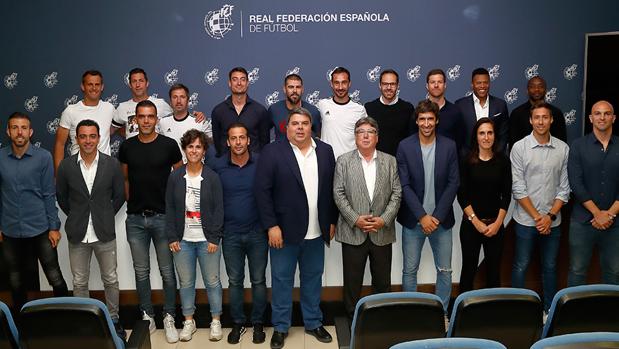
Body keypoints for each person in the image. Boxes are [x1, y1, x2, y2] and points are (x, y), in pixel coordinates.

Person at [255, 107, 337, 349]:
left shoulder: (325, 151)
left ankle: (313, 322)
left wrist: (331, 220)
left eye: (304, 123)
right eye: (295, 124)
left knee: (312, 279)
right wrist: (271, 225)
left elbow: (331, 190)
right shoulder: (272, 152)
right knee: (281, 280)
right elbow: (262, 192)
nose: (300, 127)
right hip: (284, 232)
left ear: (311, 127)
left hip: (316, 231)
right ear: (286, 127)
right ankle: (280, 327)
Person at [118, 100, 182, 343]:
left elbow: (179, 177)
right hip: (135, 219)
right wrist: (131, 203)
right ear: (135, 119)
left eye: (150, 116)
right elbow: (124, 179)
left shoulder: (169, 145)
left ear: (157, 119)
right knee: (141, 271)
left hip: (163, 219)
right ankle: (147, 314)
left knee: (167, 271)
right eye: (141, 117)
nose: (146, 121)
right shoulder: (127, 147)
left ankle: (168, 316)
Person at [56, 119, 126, 339]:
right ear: (77, 139)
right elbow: (62, 198)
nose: (88, 141)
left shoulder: (111, 164)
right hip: (77, 233)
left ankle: (114, 319)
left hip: (104, 232)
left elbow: (119, 196)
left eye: (92, 136)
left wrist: (104, 215)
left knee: (111, 279)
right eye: (83, 136)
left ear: (99, 138)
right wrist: (78, 216)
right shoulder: (66, 166)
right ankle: (85, 322)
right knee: (79, 281)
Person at [333, 116, 402, 319]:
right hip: (353, 231)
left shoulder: (390, 161)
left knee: (382, 282)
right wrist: (355, 219)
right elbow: (338, 193)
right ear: (355, 137)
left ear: (377, 137)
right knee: (352, 283)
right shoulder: (343, 161)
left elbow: (397, 193)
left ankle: (380, 320)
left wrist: (384, 219)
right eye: (360, 131)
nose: (365, 135)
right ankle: (353, 321)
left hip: (382, 231)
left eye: (370, 132)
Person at [0, 112, 68, 311]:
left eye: (23, 128)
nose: (19, 132)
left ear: (30, 132)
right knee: (15, 279)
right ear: (8, 131)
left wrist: (54, 227)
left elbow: (48, 194)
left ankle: (66, 319)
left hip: (40, 228)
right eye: (15, 127)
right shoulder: (1, 158)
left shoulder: (44, 157)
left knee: (54, 276)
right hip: (10, 229)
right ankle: (22, 324)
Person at [396, 100, 459, 313]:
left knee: (445, 270)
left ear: (437, 120)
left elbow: (454, 183)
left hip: (441, 221)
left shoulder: (449, 146)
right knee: (409, 271)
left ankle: (440, 314)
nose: (426, 123)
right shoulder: (404, 146)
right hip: (414, 221)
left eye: (430, 119)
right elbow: (403, 184)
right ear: (417, 121)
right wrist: (422, 216)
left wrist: (437, 216)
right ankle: (411, 313)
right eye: (422, 119)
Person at [510, 102, 570, 315]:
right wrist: (538, 217)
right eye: (537, 117)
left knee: (550, 267)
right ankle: (517, 311)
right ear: (531, 120)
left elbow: (564, 188)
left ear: (551, 120)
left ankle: (549, 312)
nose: (541, 121)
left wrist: (550, 216)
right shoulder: (519, 148)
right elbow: (518, 188)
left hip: (553, 222)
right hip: (526, 221)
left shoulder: (563, 149)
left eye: (545, 117)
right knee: (520, 265)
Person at [211, 123, 267, 344]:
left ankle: (259, 323)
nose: (238, 142)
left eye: (242, 137)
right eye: (233, 138)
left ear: (248, 140)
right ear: (227, 141)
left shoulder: (261, 162)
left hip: (257, 233)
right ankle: (238, 323)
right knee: (235, 281)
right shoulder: (218, 166)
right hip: (231, 234)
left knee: (259, 280)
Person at [166, 129, 224, 342]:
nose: (194, 150)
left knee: (212, 281)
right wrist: (172, 237)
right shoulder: (175, 177)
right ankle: (188, 321)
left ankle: (216, 320)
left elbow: (219, 210)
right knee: (186, 282)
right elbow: (170, 208)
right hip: (182, 241)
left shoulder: (212, 177)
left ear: (204, 150)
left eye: (198, 146)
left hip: (206, 240)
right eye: (190, 146)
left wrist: (214, 238)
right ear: (184, 149)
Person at [567, 100, 619, 285]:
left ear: (614, 118)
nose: (602, 117)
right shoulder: (578, 146)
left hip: (615, 224)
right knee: (577, 270)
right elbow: (576, 183)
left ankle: (610, 314)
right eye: (597, 113)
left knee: (614, 272)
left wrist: (610, 214)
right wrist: (598, 214)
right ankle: (572, 314)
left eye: (606, 113)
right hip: (582, 221)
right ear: (590, 118)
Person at [457, 118, 511, 293]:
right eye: (482, 133)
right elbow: (462, 195)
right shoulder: (466, 161)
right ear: (476, 136)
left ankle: (492, 315)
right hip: (471, 226)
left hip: (496, 226)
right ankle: (462, 315)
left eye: (490, 133)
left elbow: (506, 195)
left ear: (495, 136)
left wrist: (497, 224)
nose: (486, 137)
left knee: (494, 272)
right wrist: (476, 222)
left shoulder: (503, 161)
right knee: (468, 270)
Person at [54, 70, 114, 173]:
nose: (94, 88)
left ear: (102, 87)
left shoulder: (110, 108)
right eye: (90, 84)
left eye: (97, 84)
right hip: (77, 170)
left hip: (104, 171)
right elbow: (60, 144)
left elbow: (117, 128)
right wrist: (59, 175)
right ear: (83, 86)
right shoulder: (70, 111)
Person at [211, 67, 269, 156]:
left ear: (247, 83)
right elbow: (217, 141)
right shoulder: (218, 111)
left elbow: (264, 142)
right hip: (226, 165)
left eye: (242, 79)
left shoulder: (260, 111)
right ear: (230, 83)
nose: (239, 83)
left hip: (254, 165)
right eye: (235, 80)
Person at [455, 67, 509, 155]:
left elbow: (503, 135)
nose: (482, 86)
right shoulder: (460, 105)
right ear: (472, 85)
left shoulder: (500, 105)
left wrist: (496, 155)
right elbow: (458, 136)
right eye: (478, 83)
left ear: (489, 84)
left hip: (494, 159)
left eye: (485, 82)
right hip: (468, 160)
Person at [318, 66, 368, 158]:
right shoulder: (322, 105)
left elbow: (364, 138)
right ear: (331, 84)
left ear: (349, 84)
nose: (340, 87)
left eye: (344, 83)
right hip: (327, 161)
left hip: (350, 164)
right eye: (336, 83)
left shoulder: (359, 109)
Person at [363, 69, 415, 156]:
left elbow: (412, 139)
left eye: (392, 84)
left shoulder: (408, 108)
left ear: (398, 86)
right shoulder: (369, 108)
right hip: (376, 162)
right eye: (385, 84)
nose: (389, 88)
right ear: (380, 85)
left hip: (400, 161)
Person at [159, 83, 213, 163]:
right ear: (170, 101)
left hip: (195, 172)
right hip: (171, 173)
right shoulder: (162, 122)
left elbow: (214, 141)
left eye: (182, 97)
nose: (178, 101)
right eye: (175, 97)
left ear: (188, 100)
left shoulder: (199, 122)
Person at [112, 67, 173, 138]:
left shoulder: (161, 104)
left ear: (147, 83)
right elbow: (114, 128)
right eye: (134, 81)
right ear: (130, 85)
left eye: (141, 81)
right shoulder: (122, 107)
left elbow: (174, 121)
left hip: (157, 148)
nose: (138, 85)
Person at [509, 76, 567, 145]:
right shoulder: (517, 113)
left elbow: (561, 141)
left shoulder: (556, 113)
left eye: (540, 86)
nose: (536, 89)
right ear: (527, 91)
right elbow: (513, 143)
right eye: (532, 87)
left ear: (545, 90)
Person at [268, 73, 321, 141]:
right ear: (284, 89)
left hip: (304, 151)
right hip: (280, 151)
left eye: (298, 87)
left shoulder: (313, 111)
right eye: (291, 87)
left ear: (302, 89)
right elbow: (264, 134)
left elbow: (318, 137)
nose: (295, 91)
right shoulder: (274, 110)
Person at [422, 69, 465, 151]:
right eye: (432, 82)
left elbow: (460, 141)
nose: (436, 85)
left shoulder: (455, 111)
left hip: (448, 160)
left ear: (445, 85)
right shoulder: (420, 112)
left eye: (440, 82)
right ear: (427, 86)